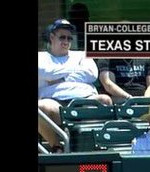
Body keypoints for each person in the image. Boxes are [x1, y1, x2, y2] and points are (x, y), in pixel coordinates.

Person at [38, 19, 113, 152]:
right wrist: (75, 70)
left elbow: (91, 74)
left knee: (105, 100)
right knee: (40, 107)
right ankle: (56, 146)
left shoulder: (81, 54)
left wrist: (58, 78)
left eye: (69, 38)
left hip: (84, 99)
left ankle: (96, 146)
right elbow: (45, 72)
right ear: (52, 37)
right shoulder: (42, 57)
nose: (66, 41)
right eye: (62, 37)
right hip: (55, 103)